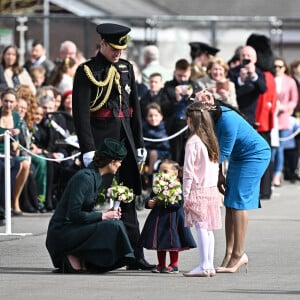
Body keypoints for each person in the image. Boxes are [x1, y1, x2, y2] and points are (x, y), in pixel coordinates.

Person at [72, 22, 154, 270]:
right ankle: (83, 255)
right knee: (91, 199)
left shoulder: (126, 68)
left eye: (121, 49)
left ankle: (134, 254)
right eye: (114, 48)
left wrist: (139, 142)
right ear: (103, 44)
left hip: (125, 139)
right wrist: (87, 148)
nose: (118, 53)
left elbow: (134, 109)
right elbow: (81, 113)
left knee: (127, 195)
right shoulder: (87, 71)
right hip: (101, 143)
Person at [195, 90, 271, 273]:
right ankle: (229, 254)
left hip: (255, 156)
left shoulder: (227, 119)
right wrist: (219, 174)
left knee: (238, 203)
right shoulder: (212, 119)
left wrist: (201, 171)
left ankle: (239, 253)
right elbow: (217, 147)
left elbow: (223, 153)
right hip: (239, 157)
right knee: (230, 202)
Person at [46, 138, 135, 273]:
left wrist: (107, 213)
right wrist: (104, 216)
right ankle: (73, 253)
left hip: (73, 228)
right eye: (119, 161)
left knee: (115, 223)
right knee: (114, 226)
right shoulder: (84, 177)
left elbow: (85, 212)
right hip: (62, 232)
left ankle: (85, 257)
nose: (120, 165)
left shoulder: (95, 176)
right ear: (111, 162)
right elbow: (74, 214)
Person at [182, 101, 222, 277]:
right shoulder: (210, 140)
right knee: (208, 229)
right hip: (210, 188)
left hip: (198, 189)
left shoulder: (193, 142)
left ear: (192, 120)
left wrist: (185, 194)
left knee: (201, 227)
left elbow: (188, 172)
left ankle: (205, 265)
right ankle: (209, 264)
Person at [140, 159, 196, 274]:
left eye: (165, 171)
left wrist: (168, 200)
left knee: (173, 241)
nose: (162, 174)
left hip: (173, 218)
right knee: (160, 241)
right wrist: (149, 203)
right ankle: (161, 264)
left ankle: (174, 264)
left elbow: (180, 203)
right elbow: (151, 196)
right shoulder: (158, 185)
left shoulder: (178, 186)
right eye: (160, 171)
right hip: (159, 217)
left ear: (175, 173)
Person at [246, 33, 277, 200]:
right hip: (266, 121)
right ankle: (265, 189)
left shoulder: (262, 75)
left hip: (258, 121)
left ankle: (262, 189)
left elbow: (261, 102)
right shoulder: (269, 75)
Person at [160, 58, 200, 165]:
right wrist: (176, 100)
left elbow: (200, 107)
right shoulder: (168, 87)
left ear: (189, 73)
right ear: (174, 73)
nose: (182, 79)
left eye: (185, 76)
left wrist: (191, 96)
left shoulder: (195, 86)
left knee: (190, 157)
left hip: (191, 127)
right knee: (175, 159)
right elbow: (163, 108)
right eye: (179, 76)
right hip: (174, 127)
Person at [0, 88, 30, 215]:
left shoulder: (16, 116)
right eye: (6, 101)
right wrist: (4, 136)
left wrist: (15, 144)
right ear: (1, 101)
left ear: (15, 103)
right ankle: (4, 204)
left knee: (21, 163)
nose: (8, 105)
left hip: (10, 153)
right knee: (7, 165)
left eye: (11, 102)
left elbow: (16, 141)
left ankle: (12, 201)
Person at [272, 57, 298, 187]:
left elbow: (294, 100)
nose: (277, 69)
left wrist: (285, 108)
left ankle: (277, 174)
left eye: (280, 66)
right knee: (271, 148)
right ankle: (270, 174)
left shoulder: (290, 81)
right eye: (275, 66)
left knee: (280, 148)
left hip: (283, 117)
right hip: (270, 118)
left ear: (284, 68)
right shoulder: (270, 79)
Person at [228, 45, 266, 126]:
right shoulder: (232, 72)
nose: (246, 58)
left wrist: (253, 75)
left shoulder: (259, 72)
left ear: (255, 59)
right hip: (235, 111)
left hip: (250, 115)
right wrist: (241, 80)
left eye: (248, 55)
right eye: (243, 55)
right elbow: (232, 91)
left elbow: (263, 89)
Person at [142, 103, 170, 184]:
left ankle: (150, 178)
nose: (153, 118)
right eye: (150, 116)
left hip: (162, 153)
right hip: (146, 152)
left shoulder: (166, 126)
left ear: (161, 116)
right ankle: (141, 177)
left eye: (156, 115)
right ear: (146, 117)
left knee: (153, 153)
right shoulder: (144, 127)